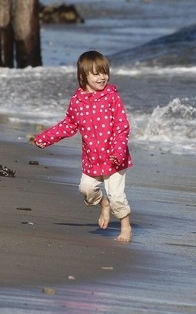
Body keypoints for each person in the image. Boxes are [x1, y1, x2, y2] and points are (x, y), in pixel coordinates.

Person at [34, 50, 133, 242]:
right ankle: (103, 204)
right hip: (92, 159)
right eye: (96, 73)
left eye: (104, 72)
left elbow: (122, 126)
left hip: (114, 159)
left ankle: (125, 227)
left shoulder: (111, 97)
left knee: (117, 197)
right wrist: (45, 138)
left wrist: (119, 150)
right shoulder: (77, 102)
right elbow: (68, 125)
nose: (102, 77)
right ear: (83, 76)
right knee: (86, 190)